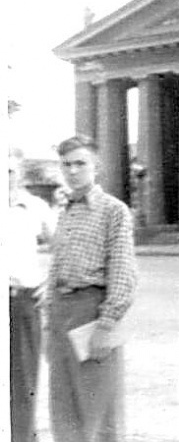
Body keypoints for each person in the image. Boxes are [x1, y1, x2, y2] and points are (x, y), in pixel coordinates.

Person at [47, 135, 138, 442]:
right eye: (66, 165)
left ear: (96, 167)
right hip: (60, 314)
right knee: (64, 409)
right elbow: (56, 267)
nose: (72, 171)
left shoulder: (114, 210)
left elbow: (123, 272)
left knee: (98, 411)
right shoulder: (65, 211)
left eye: (80, 163)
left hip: (92, 312)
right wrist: (49, 320)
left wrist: (107, 324)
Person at [7, 148, 56, 442]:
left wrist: (49, 283)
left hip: (22, 301)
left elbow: (63, 246)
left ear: (20, 173)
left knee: (23, 380)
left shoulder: (35, 207)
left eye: (9, 171)